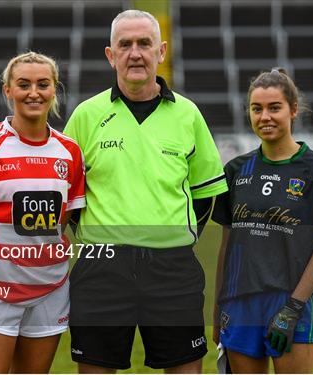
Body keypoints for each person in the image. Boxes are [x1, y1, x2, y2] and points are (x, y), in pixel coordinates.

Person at [63, 9, 228, 373]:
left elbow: (205, 195)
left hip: (173, 269)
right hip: (100, 269)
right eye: (125, 45)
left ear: (162, 51)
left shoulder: (188, 115)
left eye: (144, 43)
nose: (135, 53)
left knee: (184, 366)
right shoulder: (85, 116)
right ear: (111, 55)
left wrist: (172, 238)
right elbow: (67, 196)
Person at [0, 51, 85, 373]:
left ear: (54, 89)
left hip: (50, 290)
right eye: (23, 84)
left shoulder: (70, 151)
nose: (33, 92)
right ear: (8, 90)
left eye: (43, 84)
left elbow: (61, 222)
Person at [211, 68, 313, 373]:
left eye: (275, 107)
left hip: (291, 302)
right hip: (239, 304)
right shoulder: (235, 170)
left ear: (293, 110)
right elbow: (227, 245)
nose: (265, 117)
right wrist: (217, 306)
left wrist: (293, 307)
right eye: (256, 109)